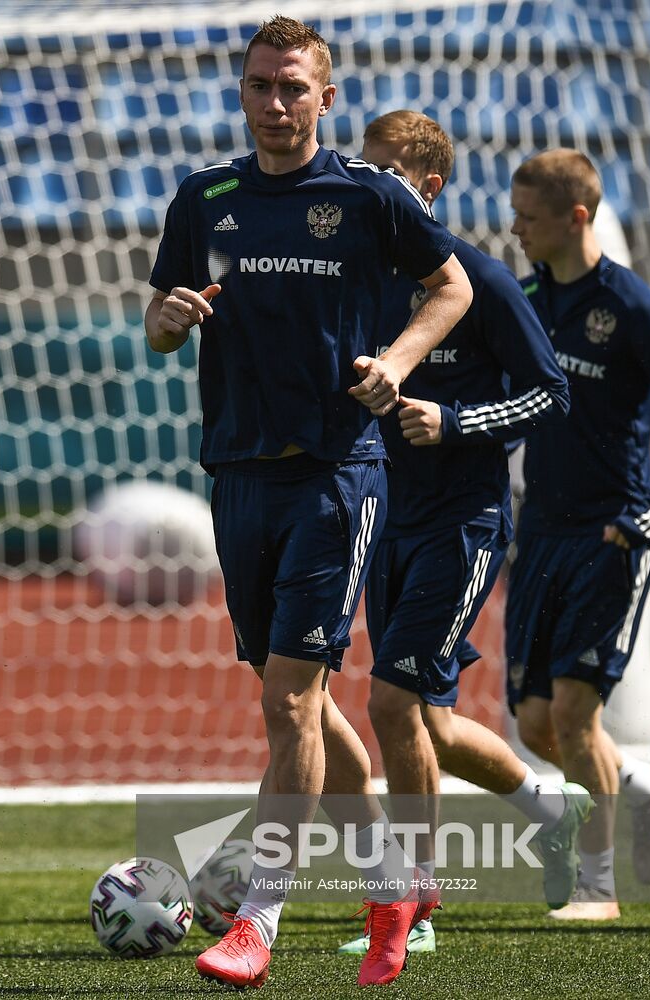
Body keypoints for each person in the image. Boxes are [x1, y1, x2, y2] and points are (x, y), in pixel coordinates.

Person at [146, 17, 472, 988]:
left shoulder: (367, 195)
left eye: (293, 88)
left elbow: (448, 286)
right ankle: (393, 878)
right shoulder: (202, 199)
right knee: (289, 701)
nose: (275, 104)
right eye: (259, 86)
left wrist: (399, 363)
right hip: (237, 474)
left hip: (338, 474)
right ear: (239, 94)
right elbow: (163, 328)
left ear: (325, 98)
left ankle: (257, 923)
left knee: (291, 701)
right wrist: (165, 320)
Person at [333, 111, 590, 958]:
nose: (362, 184)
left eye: (382, 171)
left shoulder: (476, 280)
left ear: (426, 186)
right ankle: (552, 810)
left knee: (389, 703)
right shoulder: (357, 278)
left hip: (463, 525)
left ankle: (413, 906)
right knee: (427, 727)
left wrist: (454, 421)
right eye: (357, 167)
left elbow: (549, 393)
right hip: (386, 521)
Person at [505, 149, 650, 919]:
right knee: (534, 725)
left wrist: (646, 521)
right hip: (539, 533)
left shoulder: (630, 306)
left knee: (572, 714)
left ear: (575, 218)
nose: (514, 228)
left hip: (611, 536)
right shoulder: (526, 299)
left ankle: (597, 890)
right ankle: (642, 782)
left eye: (527, 217)